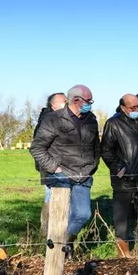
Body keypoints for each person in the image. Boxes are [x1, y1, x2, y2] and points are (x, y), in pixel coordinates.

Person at [30, 85, 99, 253]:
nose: (91, 104)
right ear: (76, 100)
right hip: (61, 175)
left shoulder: (91, 119)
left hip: (83, 174)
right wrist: (55, 168)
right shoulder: (53, 119)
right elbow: (37, 148)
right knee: (59, 217)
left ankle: (65, 243)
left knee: (82, 214)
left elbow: (96, 145)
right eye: (89, 101)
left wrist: (92, 165)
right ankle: (55, 252)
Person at [101, 94, 138, 257]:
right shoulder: (114, 123)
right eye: (133, 108)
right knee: (122, 218)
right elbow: (106, 150)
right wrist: (120, 169)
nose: (137, 110)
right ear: (123, 107)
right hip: (123, 181)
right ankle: (123, 253)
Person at [33, 92, 68, 236]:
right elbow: (38, 147)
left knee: (60, 197)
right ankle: (48, 231)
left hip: (62, 166)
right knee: (51, 197)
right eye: (64, 101)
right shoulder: (47, 120)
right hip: (52, 167)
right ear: (54, 105)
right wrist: (52, 167)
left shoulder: (61, 118)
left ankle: (56, 231)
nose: (67, 103)